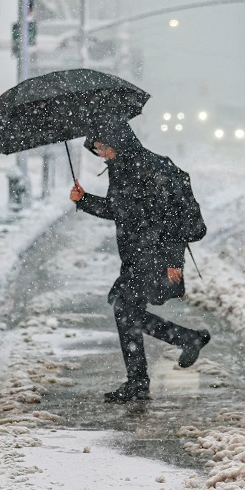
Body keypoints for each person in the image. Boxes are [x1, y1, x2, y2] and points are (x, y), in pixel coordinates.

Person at [69, 120, 211, 403]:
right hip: (137, 255)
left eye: (104, 148)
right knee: (126, 311)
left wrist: (173, 260)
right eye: (98, 150)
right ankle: (182, 343)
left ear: (118, 142)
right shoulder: (121, 169)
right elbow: (120, 210)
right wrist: (84, 200)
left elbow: (171, 216)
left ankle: (142, 378)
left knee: (125, 308)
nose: (103, 154)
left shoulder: (149, 168)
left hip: (155, 254)